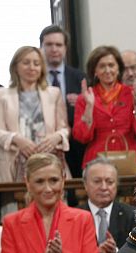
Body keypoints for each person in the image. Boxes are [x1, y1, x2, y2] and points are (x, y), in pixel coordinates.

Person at [0, 46, 69, 214]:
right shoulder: (2, 95)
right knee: (15, 216)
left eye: (36, 63)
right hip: (15, 164)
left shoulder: (53, 93)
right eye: (26, 63)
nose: (32, 67)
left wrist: (56, 137)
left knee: (55, 215)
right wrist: (16, 139)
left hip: (48, 159)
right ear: (16, 66)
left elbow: (64, 128)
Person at [72, 45, 136, 169]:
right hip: (97, 160)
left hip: (131, 158)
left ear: (118, 68)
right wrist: (89, 107)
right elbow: (81, 137)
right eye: (102, 66)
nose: (107, 70)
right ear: (94, 71)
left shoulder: (133, 94)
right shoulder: (85, 98)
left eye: (111, 65)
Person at [80, 158, 136, 253]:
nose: (104, 187)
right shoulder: (74, 216)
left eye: (110, 182)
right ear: (85, 184)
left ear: (116, 185)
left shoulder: (133, 215)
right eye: (97, 181)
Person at [39, 25, 86, 177]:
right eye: (49, 44)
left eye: (58, 45)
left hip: (76, 146)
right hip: (45, 144)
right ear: (41, 47)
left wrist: (82, 102)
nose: (54, 49)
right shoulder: (34, 77)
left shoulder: (80, 77)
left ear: (65, 48)